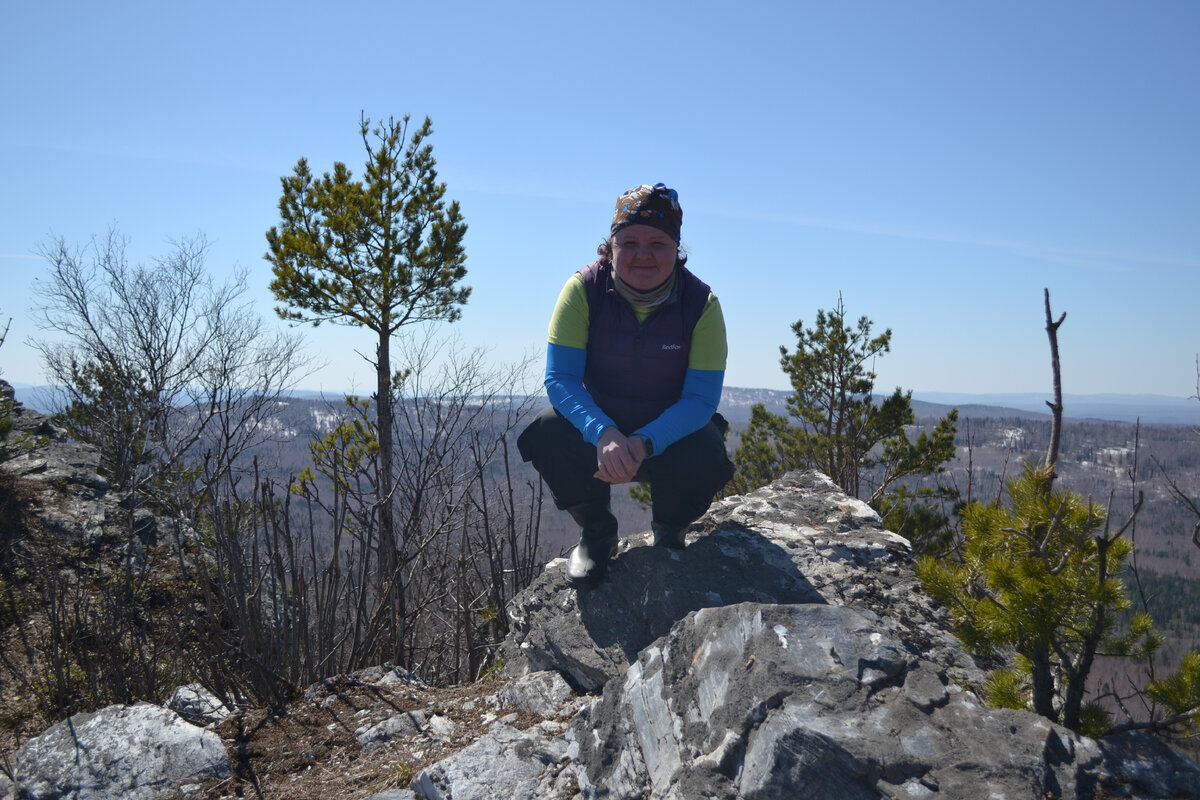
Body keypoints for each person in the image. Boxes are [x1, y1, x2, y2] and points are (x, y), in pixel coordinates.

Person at [517, 183, 735, 588]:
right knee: (546, 432)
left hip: (668, 440)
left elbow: (701, 400)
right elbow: (560, 379)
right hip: (601, 441)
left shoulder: (701, 305)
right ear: (610, 246)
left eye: (658, 242)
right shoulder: (583, 291)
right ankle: (597, 534)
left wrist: (644, 442)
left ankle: (670, 530)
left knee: (707, 447)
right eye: (629, 241)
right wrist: (604, 433)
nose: (642, 254)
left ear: (677, 247)